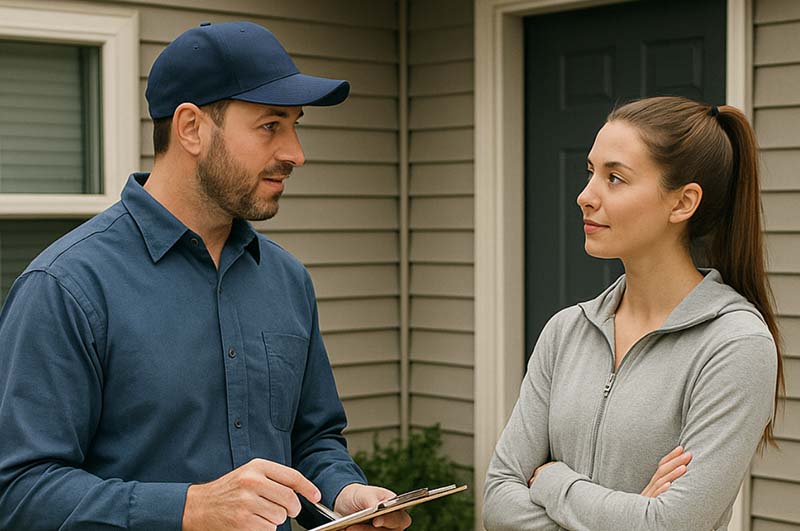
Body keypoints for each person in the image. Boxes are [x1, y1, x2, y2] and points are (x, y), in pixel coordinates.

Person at [0, 21, 411, 531]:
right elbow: (19, 492)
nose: (295, 153)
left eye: (295, 125)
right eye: (271, 125)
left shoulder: (286, 280)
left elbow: (312, 440)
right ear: (192, 128)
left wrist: (342, 493)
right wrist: (190, 508)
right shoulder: (66, 287)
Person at [483, 96, 784, 530]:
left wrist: (553, 481)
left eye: (615, 178)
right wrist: (631, 514)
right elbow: (498, 500)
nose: (585, 196)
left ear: (682, 203)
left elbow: (670, 525)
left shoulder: (734, 346)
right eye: (590, 172)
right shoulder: (565, 332)